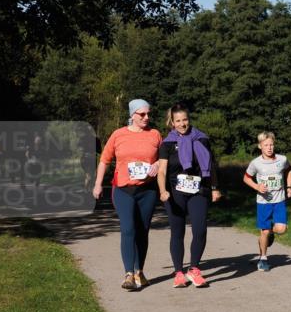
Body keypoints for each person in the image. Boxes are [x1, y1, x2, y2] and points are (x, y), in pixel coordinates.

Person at [93, 99, 161, 291]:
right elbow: (104, 161)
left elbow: (163, 160)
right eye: (142, 114)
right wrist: (98, 185)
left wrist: (157, 165)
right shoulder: (118, 135)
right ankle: (128, 274)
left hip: (147, 191)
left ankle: (140, 271)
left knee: (143, 230)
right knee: (128, 228)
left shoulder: (155, 135)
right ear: (132, 115)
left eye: (148, 114)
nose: (147, 117)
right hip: (123, 190)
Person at [157, 103, 221, 288]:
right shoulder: (167, 143)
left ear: (189, 119)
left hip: (198, 191)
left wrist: (215, 188)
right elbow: (161, 171)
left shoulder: (201, 139)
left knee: (200, 229)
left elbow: (211, 165)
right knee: (178, 232)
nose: (182, 124)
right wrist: (163, 190)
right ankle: (178, 273)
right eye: (178, 121)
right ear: (172, 122)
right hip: (175, 192)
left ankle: (194, 269)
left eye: (185, 119)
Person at [243, 131, 291, 272]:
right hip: (263, 202)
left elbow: (289, 170)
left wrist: (289, 187)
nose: (269, 148)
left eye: (271, 144)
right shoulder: (256, 163)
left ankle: (271, 232)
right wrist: (256, 186)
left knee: (282, 229)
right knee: (263, 232)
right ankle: (263, 258)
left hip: (279, 200)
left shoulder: (282, 159)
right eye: (266, 145)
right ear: (260, 146)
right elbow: (246, 178)